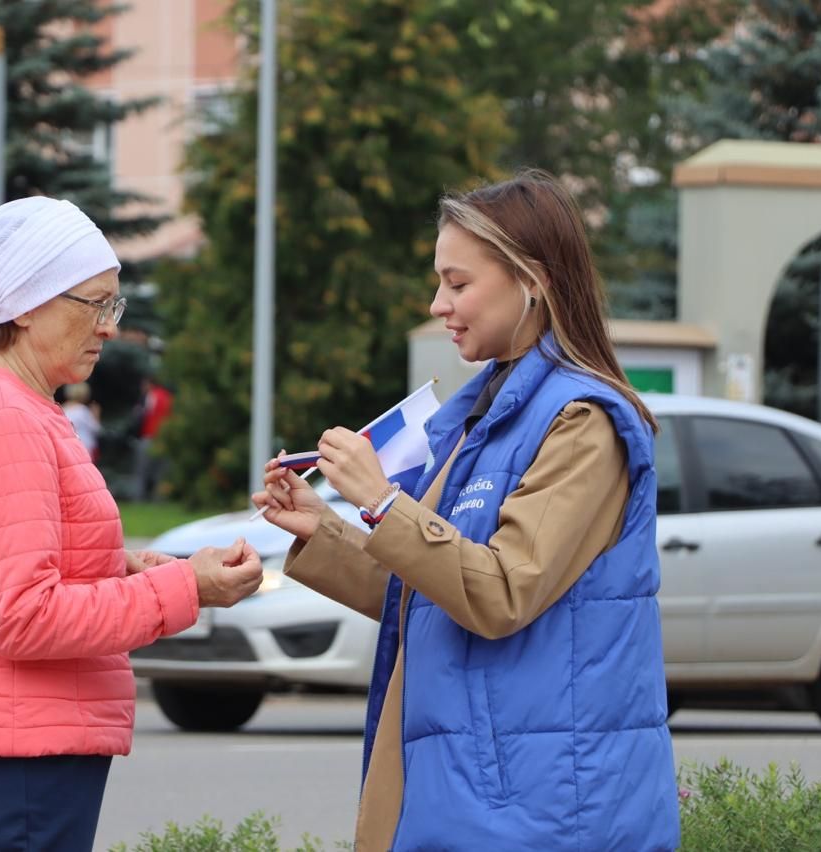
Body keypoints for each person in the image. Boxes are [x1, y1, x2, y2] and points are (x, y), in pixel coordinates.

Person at [252, 171, 679, 850]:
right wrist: (327, 530)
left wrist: (382, 501)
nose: (438, 304)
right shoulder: (484, 415)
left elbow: (501, 593)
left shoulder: (582, 421)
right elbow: (431, 592)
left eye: (458, 283)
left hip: (543, 812)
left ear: (531, 280)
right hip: (478, 797)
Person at [0, 196, 263, 851]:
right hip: (14, 758)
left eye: (113, 305)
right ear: (29, 303)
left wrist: (121, 568)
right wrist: (188, 590)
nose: (109, 326)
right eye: (95, 304)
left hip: (11, 748)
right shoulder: (5, 421)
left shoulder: (6, 405)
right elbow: (23, 616)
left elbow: (6, 560)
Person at [131, 377, 173, 500]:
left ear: (150, 385)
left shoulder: (150, 396)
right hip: (164, 439)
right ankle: (159, 499)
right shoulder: (168, 396)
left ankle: (138, 497)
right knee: (161, 472)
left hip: (149, 437)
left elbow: (143, 416)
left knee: (141, 471)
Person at [63, 381, 102, 458]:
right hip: (84, 447)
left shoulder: (63, 408)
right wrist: (96, 415)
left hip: (67, 447)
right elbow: (96, 429)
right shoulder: (82, 410)